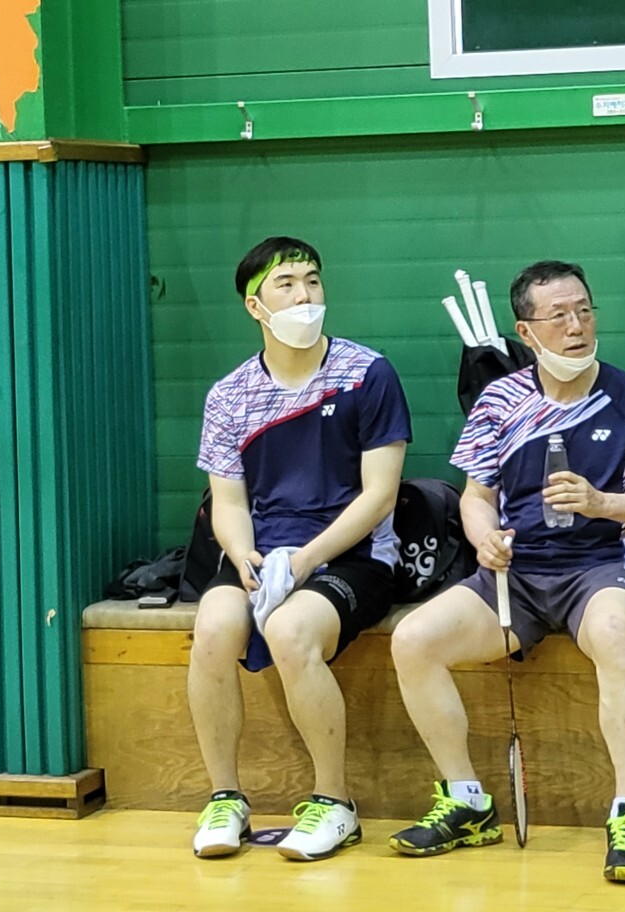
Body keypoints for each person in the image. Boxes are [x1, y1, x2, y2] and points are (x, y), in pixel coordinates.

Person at [389, 260, 625, 883]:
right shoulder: (499, 400)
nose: (576, 327)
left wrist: (601, 503)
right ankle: (467, 803)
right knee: (413, 640)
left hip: (602, 567)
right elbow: (476, 496)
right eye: (559, 316)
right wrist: (483, 538)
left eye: (584, 311)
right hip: (515, 577)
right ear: (526, 332)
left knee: (613, 635)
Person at [189, 236, 411, 862]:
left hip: (354, 556)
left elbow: (380, 496)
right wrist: (244, 556)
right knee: (213, 628)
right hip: (264, 554)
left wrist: (307, 559)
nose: (304, 294)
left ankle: (334, 803)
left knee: (290, 631)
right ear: (255, 307)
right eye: (285, 284)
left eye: (312, 279)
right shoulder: (229, 395)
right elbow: (228, 502)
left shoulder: (367, 373)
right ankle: (225, 798)